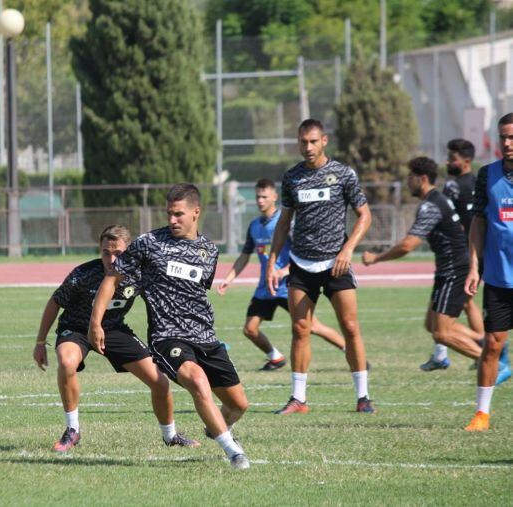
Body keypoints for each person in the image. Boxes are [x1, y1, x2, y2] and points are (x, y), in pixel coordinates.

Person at [89, 184, 251, 469]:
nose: (172, 220)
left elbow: (198, 291)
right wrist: (95, 322)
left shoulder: (209, 251)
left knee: (238, 405)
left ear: (195, 213)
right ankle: (233, 452)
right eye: (169, 214)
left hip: (205, 336)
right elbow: (112, 278)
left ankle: (216, 427)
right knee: (197, 381)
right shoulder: (149, 243)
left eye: (178, 214)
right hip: (167, 337)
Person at [33, 225, 199, 452]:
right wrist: (40, 342)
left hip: (113, 330)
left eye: (118, 254)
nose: (111, 259)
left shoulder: (139, 275)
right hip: (77, 329)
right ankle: (73, 430)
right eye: (105, 253)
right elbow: (55, 303)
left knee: (159, 381)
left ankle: (171, 436)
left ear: (129, 251)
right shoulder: (83, 274)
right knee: (66, 361)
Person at [362, 157, 508, 383]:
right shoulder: (438, 199)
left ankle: (493, 363)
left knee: (442, 332)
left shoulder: (431, 205)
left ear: (421, 179)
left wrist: (376, 258)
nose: (407, 181)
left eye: (410, 177)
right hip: (448, 269)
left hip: (454, 270)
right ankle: (486, 343)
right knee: (432, 325)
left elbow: (408, 245)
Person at [266, 118, 374, 415]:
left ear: (324, 140)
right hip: (301, 264)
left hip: (336, 263)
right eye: (303, 142)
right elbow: (284, 222)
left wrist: (348, 249)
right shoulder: (292, 178)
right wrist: (273, 261)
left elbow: (365, 216)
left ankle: (363, 396)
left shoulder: (342, 174)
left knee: (350, 327)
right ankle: (298, 399)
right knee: (300, 329)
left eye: (313, 141)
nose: (308, 147)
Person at [218, 178, 347, 371]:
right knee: (250, 329)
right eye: (257, 197)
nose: (260, 200)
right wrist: (228, 279)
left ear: (274, 197)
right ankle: (276, 357)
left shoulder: (286, 223)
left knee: (312, 327)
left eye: (264, 196)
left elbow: (301, 252)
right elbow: (245, 256)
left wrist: (285, 270)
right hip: (266, 288)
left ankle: (351, 351)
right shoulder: (254, 226)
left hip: (289, 286)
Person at [464, 113, 513, 432]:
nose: (507, 144)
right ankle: (482, 414)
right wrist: (473, 266)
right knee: (493, 344)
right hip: (499, 277)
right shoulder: (487, 175)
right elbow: (479, 223)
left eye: (512, 138)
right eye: (503, 138)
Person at [421, 139, 484, 370]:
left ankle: (473, 350)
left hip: (461, 256)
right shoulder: (480, 181)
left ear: (466, 160)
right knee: (465, 303)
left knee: (450, 311)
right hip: (478, 252)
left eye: (452, 158)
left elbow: (451, 221)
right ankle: (476, 345)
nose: (448, 162)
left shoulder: (452, 187)